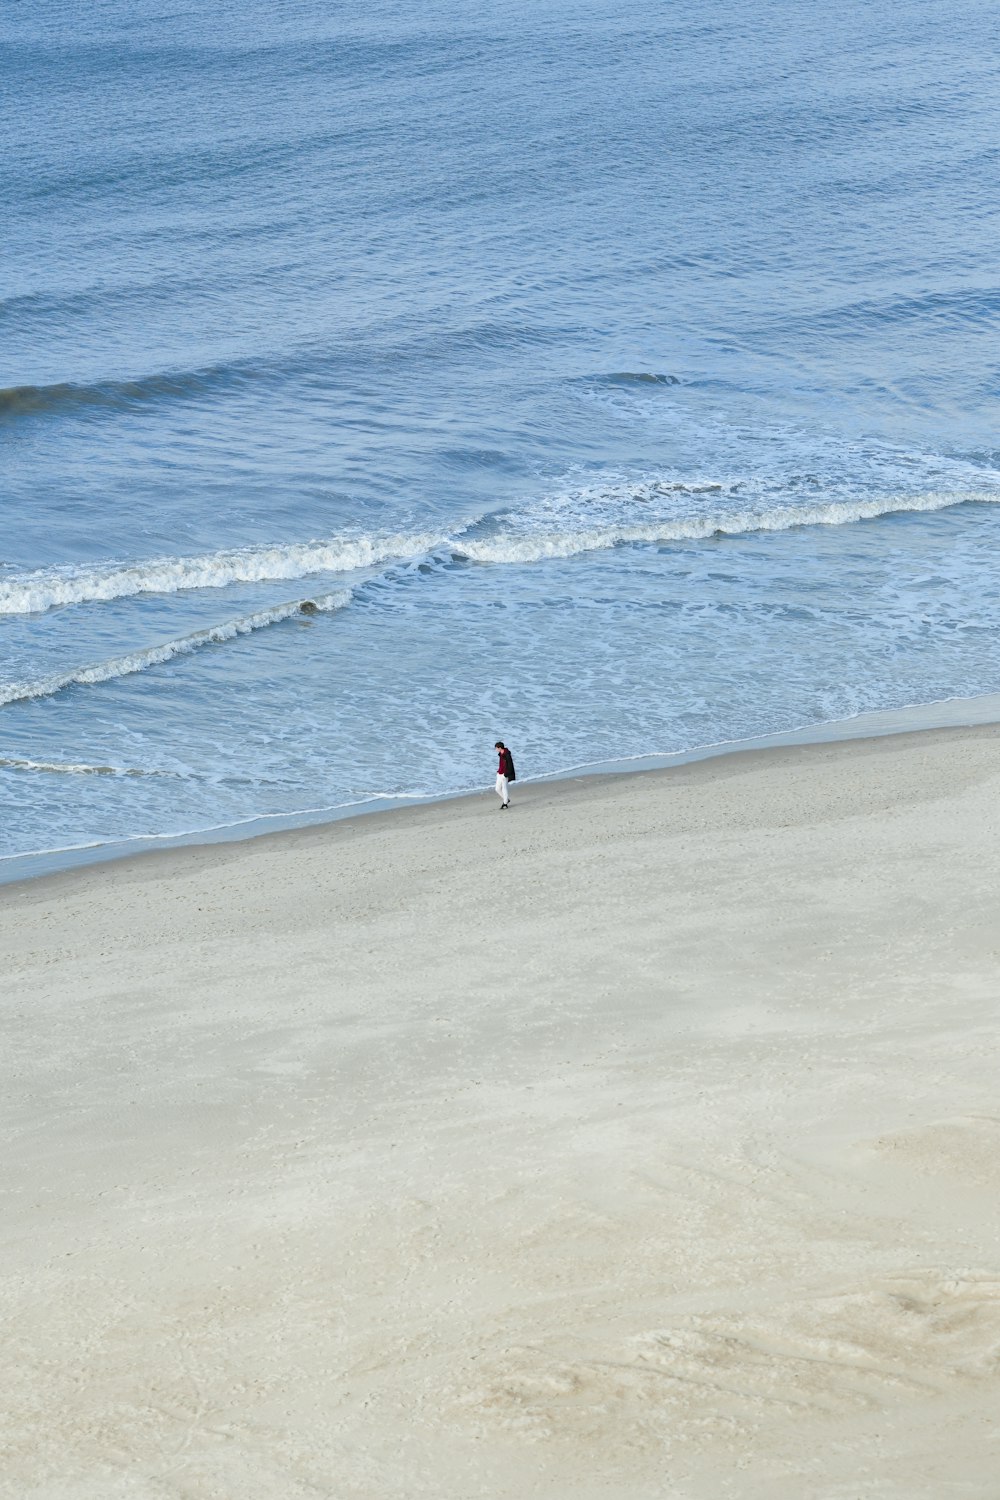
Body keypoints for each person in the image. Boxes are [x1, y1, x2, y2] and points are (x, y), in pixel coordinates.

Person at [494, 740, 515, 809]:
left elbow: (510, 765)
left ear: (500, 748)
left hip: (505, 774)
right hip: (499, 773)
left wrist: (506, 774)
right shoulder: (501, 754)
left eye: (496, 748)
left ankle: (505, 803)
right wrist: (499, 772)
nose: (495, 749)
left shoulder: (507, 754)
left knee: (504, 788)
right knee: (497, 789)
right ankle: (506, 799)